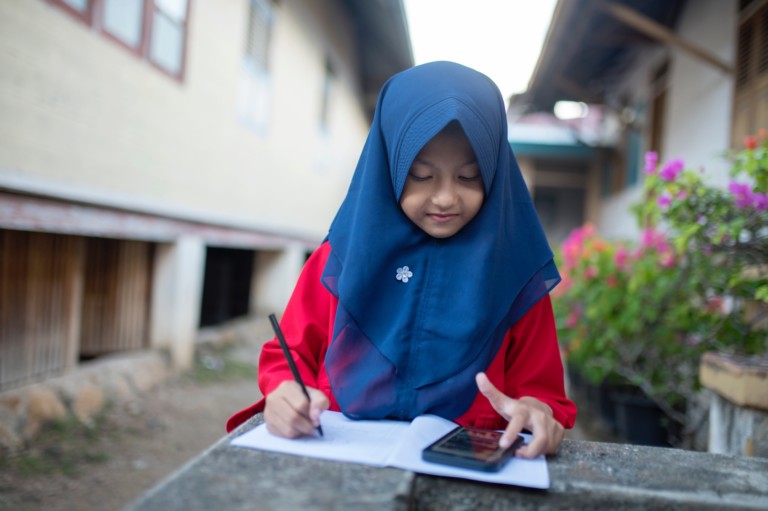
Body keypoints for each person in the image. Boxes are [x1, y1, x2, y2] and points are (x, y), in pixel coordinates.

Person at [226, 61, 577, 458]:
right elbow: (288, 356)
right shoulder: (340, 260)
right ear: (388, 168)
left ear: (495, 176)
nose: (445, 198)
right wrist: (285, 392)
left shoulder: (513, 276)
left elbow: (541, 392)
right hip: (336, 461)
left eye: (468, 178)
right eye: (421, 176)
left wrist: (538, 411)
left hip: (468, 473)